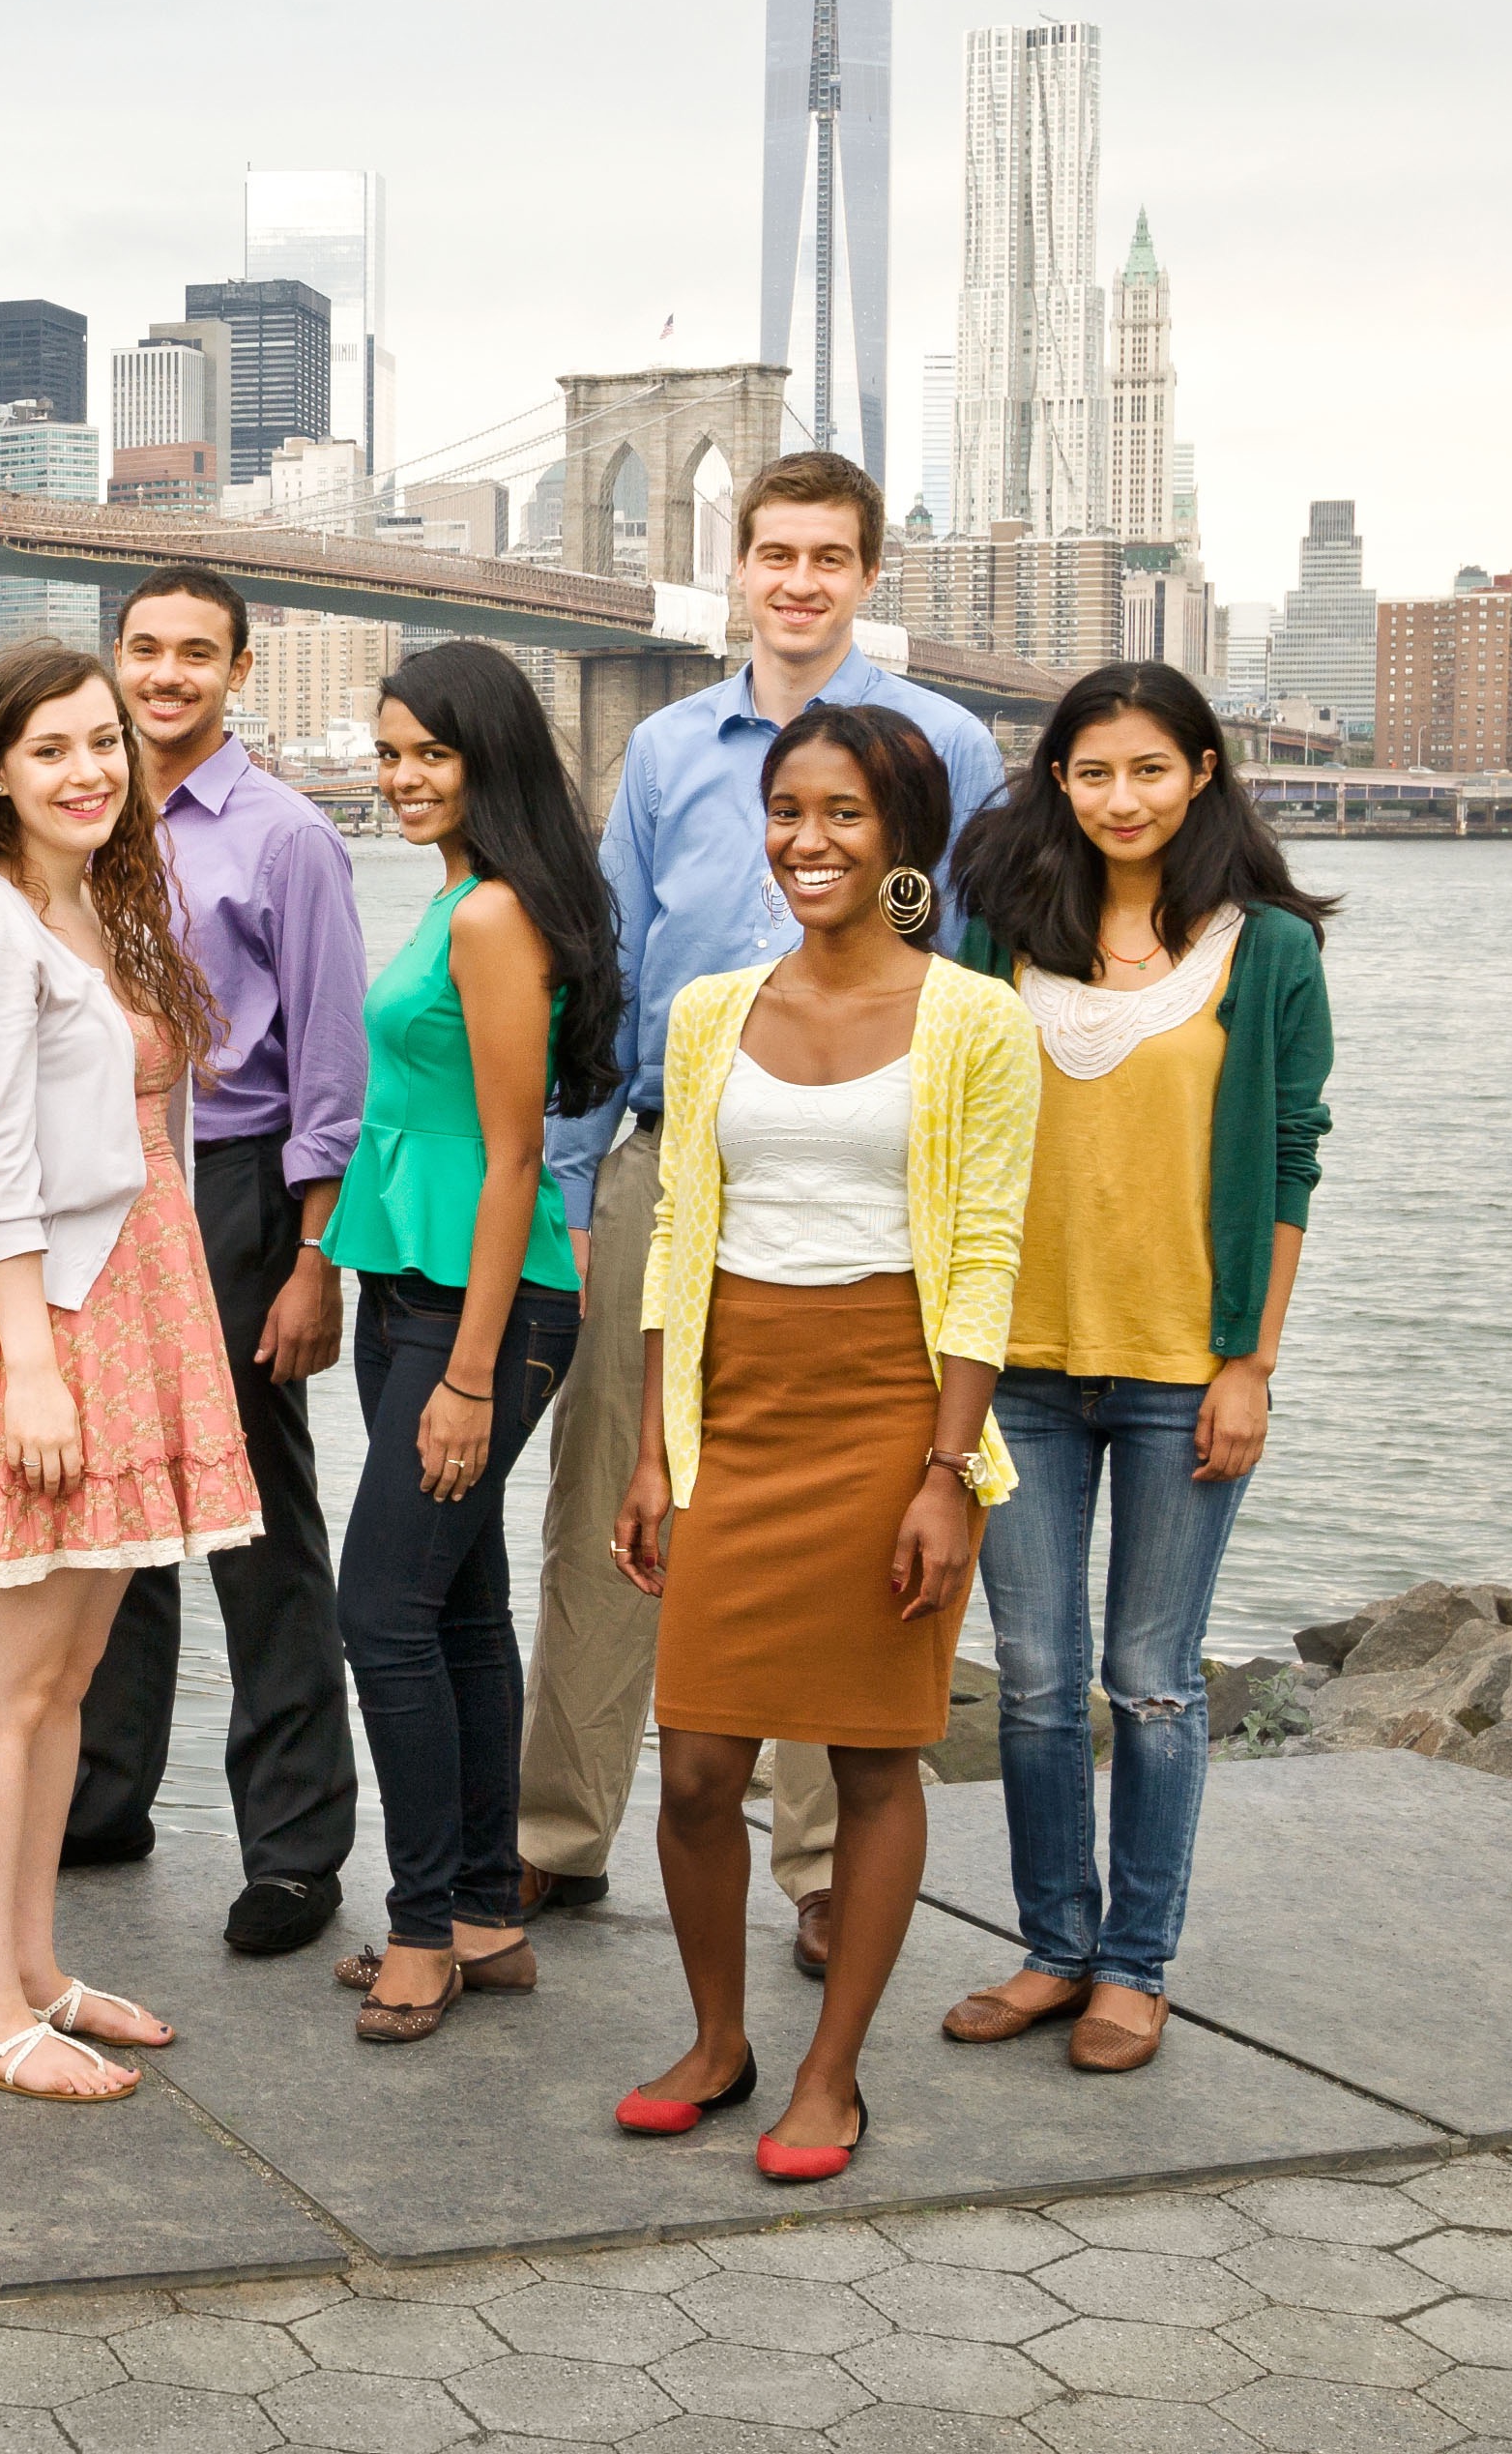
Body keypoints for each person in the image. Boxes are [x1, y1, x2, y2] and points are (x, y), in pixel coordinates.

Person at [527, 451, 1005, 1978]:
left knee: (848, 1522)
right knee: (621, 1492)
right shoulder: (666, 749)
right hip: (677, 1155)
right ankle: (557, 1834)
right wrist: (581, 1175)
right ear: (736, 568)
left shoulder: (948, 743)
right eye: (774, 554)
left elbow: (973, 941)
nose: (799, 581)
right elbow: (608, 960)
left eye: (829, 557)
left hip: (876, 1157)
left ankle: (815, 1869)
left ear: (870, 577)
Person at [612, 702, 1036, 2179]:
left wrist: (945, 1471)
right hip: (735, 1405)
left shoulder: (977, 1016)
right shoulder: (712, 1008)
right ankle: (719, 2042)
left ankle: (831, 2077)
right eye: (789, 810)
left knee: (869, 1765)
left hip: (886, 1410)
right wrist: (660, 1447)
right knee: (694, 1770)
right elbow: (679, 1229)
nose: (809, 840)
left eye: (845, 813)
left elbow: (985, 1252)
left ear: (903, 835)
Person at [0, 639, 260, 2103]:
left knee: (71, 1671)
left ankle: (30, 1968)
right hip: (42, 1315)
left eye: (104, 745)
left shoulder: (94, 902)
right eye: (52, 752)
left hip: (133, 1298)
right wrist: (30, 1365)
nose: (89, 771)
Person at [940, 660, 1336, 2076]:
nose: (1123, 798)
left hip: (1184, 1367)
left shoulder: (1270, 948)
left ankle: (1136, 1967)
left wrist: (1255, 1366)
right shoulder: (998, 932)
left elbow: (1291, 1160)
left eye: (1151, 770)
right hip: (1020, 1370)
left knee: (1154, 1681)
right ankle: (1055, 1947)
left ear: (1204, 774)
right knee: (1039, 1677)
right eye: (1094, 772)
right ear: (1058, 780)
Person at [319, 645, 624, 2042]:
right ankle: (490, 1907)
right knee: (455, 1606)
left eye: (429, 754)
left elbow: (514, 1162)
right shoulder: (457, 899)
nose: (401, 779)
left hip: (477, 1306)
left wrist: (464, 1378)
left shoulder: (496, 916)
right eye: (388, 755)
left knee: (378, 1610)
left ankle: (425, 1924)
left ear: (489, 757)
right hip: (415, 1281)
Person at [68, 570, 372, 1957]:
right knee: (117, 1500)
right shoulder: (76, 812)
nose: (168, 674)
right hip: (104, 1181)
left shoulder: (287, 837)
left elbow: (329, 1077)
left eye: (198, 653)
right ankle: (101, 1799)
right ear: (115, 660)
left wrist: (317, 1259)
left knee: (256, 1522)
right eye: (146, 649)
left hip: (244, 1187)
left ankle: (297, 1851)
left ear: (240, 671)